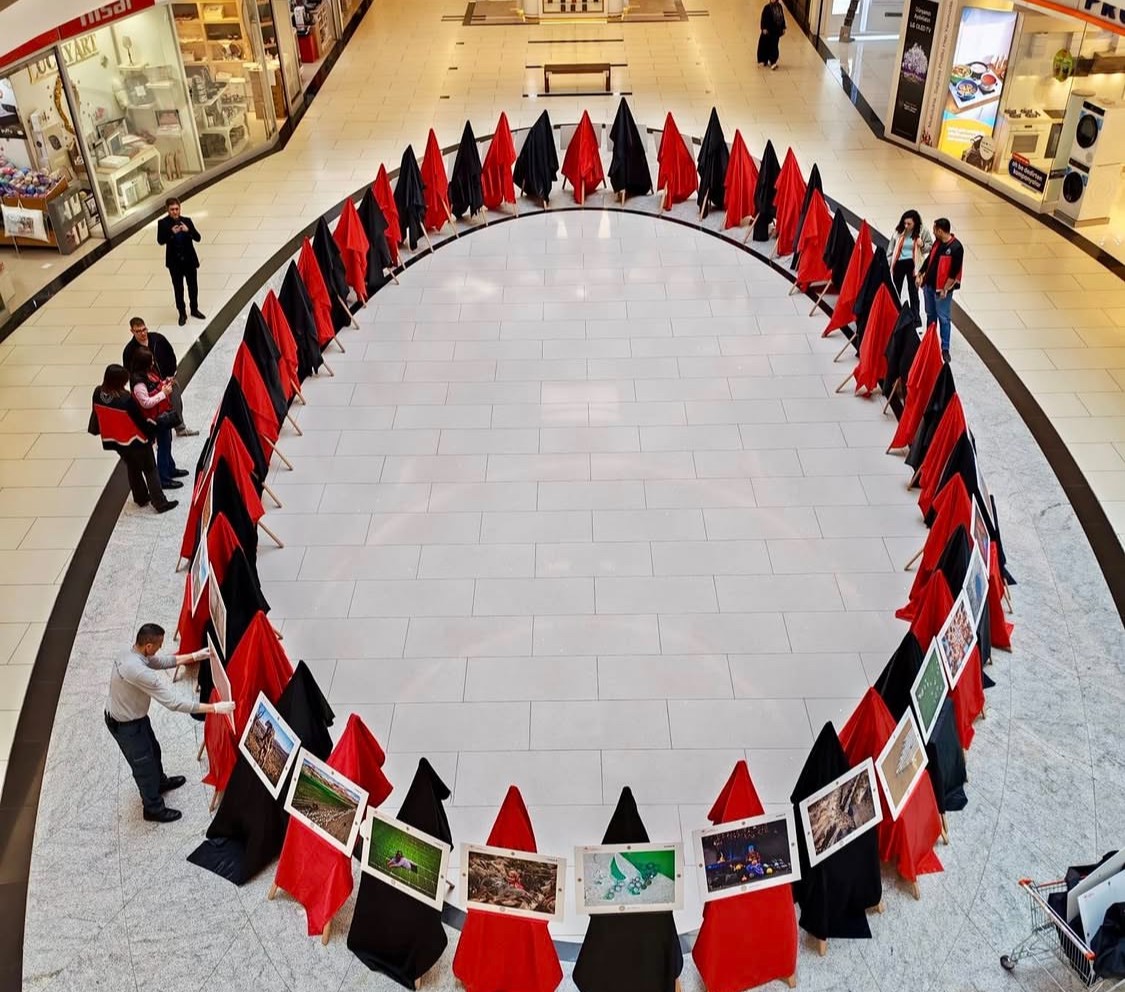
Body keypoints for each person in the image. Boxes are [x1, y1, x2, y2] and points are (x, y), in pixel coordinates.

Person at [105, 623, 235, 822]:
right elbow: (174, 703)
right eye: (158, 644)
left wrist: (196, 655)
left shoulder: (131, 654)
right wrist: (215, 708)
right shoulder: (139, 671)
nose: (159, 648)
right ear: (148, 645)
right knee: (143, 766)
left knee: (153, 750)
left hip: (134, 716)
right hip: (125, 725)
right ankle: (153, 808)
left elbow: (161, 661)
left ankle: (160, 782)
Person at [88, 364, 178, 514]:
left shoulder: (97, 393)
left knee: (132, 467)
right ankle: (160, 502)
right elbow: (140, 422)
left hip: (116, 441)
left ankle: (140, 497)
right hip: (136, 441)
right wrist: (150, 435)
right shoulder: (126, 399)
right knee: (150, 469)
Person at [122, 316, 198, 437]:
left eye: (144, 329)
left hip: (166, 380)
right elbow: (129, 372)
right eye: (138, 331)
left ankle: (180, 427)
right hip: (149, 386)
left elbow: (170, 356)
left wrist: (171, 374)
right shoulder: (130, 351)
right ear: (132, 331)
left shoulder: (158, 339)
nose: (142, 333)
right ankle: (158, 434)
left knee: (176, 401)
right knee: (155, 411)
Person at [129, 347, 187, 489]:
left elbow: (156, 385)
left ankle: (170, 468)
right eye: (151, 360)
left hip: (162, 414)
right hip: (155, 418)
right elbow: (146, 403)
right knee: (163, 446)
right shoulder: (138, 383)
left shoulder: (149, 373)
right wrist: (163, 393)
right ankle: (164, 478)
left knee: (167, 443)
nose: (153, 362)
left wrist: (165, 383)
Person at [916, 217, 963, 362]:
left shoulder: (956, 248)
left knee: (943, 318)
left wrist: (945, 289)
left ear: (940, 231)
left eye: (935, 229)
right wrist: (921, 273)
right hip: (929, 286)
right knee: (931, 315)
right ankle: (930, 342)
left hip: (941, 290)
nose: (933, 232)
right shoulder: (938, 242)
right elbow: (930, 259)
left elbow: (954, 272)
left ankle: (945, 348)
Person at [156, 197, 205, 327]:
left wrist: (188, 230)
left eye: (177, 209)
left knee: (193, 286)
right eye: (172, 209)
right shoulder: (163, 224)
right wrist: (171, 233)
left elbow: (198, 237)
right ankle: (182, 313)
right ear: (167, 210)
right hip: (175, 264)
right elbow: (160, 241)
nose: (175, 212)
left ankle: (194, 309)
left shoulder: (187, 221)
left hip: (189, 261)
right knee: (178, 289)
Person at [887, 209, 932, 327]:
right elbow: (891, 248)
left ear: (915, 223)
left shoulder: (923, 231)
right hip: (899, 263)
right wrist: (889, 262)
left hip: (913, 265)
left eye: (909, 224)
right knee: (896, 289)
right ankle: (895, 313)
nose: (906, 226)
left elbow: (930, 246)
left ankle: (915, 317)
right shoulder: (898, 231)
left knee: (913, 291)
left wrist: (922, 244)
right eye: (905, 223)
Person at [758, 0, 786, 70]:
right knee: (766, 45)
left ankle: (773, 61)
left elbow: (782, 18)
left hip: (776, 31)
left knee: (774, 45)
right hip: (768, 31)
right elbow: (763, 19)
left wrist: (783, 27)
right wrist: (763, 28)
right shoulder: (767, 8)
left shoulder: (779, 7)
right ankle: (765, 59)